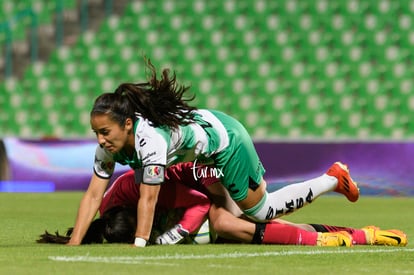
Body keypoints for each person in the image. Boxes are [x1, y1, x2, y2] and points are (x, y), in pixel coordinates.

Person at [68, 59, 361, 247]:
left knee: (259, 211)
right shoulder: (108, 149)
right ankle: (338, 234)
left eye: (105, 132)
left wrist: (140, 244)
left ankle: (332, 178)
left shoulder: (150, 142)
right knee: (232, 223)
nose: (101, 139)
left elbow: (149, 197)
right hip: (202, 160)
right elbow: (93, 195)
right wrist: (74, 242)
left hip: (225, 142)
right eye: (97, 133)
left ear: (127, 124)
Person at [40, 163, 407, 246]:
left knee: (237, 222)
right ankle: (354, 233)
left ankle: (331, 180)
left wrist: (172, 236)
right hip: (199, 179)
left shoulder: (143, 189)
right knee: (248, 226)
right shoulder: (116, 207)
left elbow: (197, 201)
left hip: (208, 174)